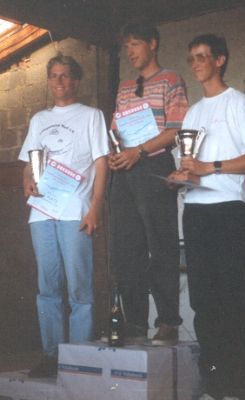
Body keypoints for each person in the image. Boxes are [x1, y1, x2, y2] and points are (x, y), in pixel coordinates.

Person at [169, 34, 245, 400]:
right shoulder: (193, 112)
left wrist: (209, 167)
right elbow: (190, 164)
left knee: (230, 299)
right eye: (191, 58)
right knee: (202, 301)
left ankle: (234, 384)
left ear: (220, 60)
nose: (195, 64)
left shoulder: (237, 102)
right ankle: (212, 383)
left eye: (202, 57)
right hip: (195, 212)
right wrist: (182, 176)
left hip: (228, 211)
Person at [18, 55, 109, 377]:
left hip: (75, 210)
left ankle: (80, 356)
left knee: (79, 287)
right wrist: (27, 179)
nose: (59, 82)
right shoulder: (39, 119)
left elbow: (101, 163)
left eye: (66, 76)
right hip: (43, 212)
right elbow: (30, 161)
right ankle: (52, 354)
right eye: (54, 76)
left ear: (76, 80)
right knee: (47, 287)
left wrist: (95, 206)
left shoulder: (91, 116)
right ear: (48, 80)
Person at [108, 22, 188, 345]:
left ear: (153, 44)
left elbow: (176, 129)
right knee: (127, 249)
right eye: (127, 46)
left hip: (154, 163)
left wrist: (139, 152)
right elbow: (116, 130)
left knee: (162, 245)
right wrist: (116, 152)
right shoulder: (125, 86)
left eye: (136, 44)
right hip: (124, 169)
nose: (130, 51)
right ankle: (136, 324)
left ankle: (167, 322)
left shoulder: (171, 79)